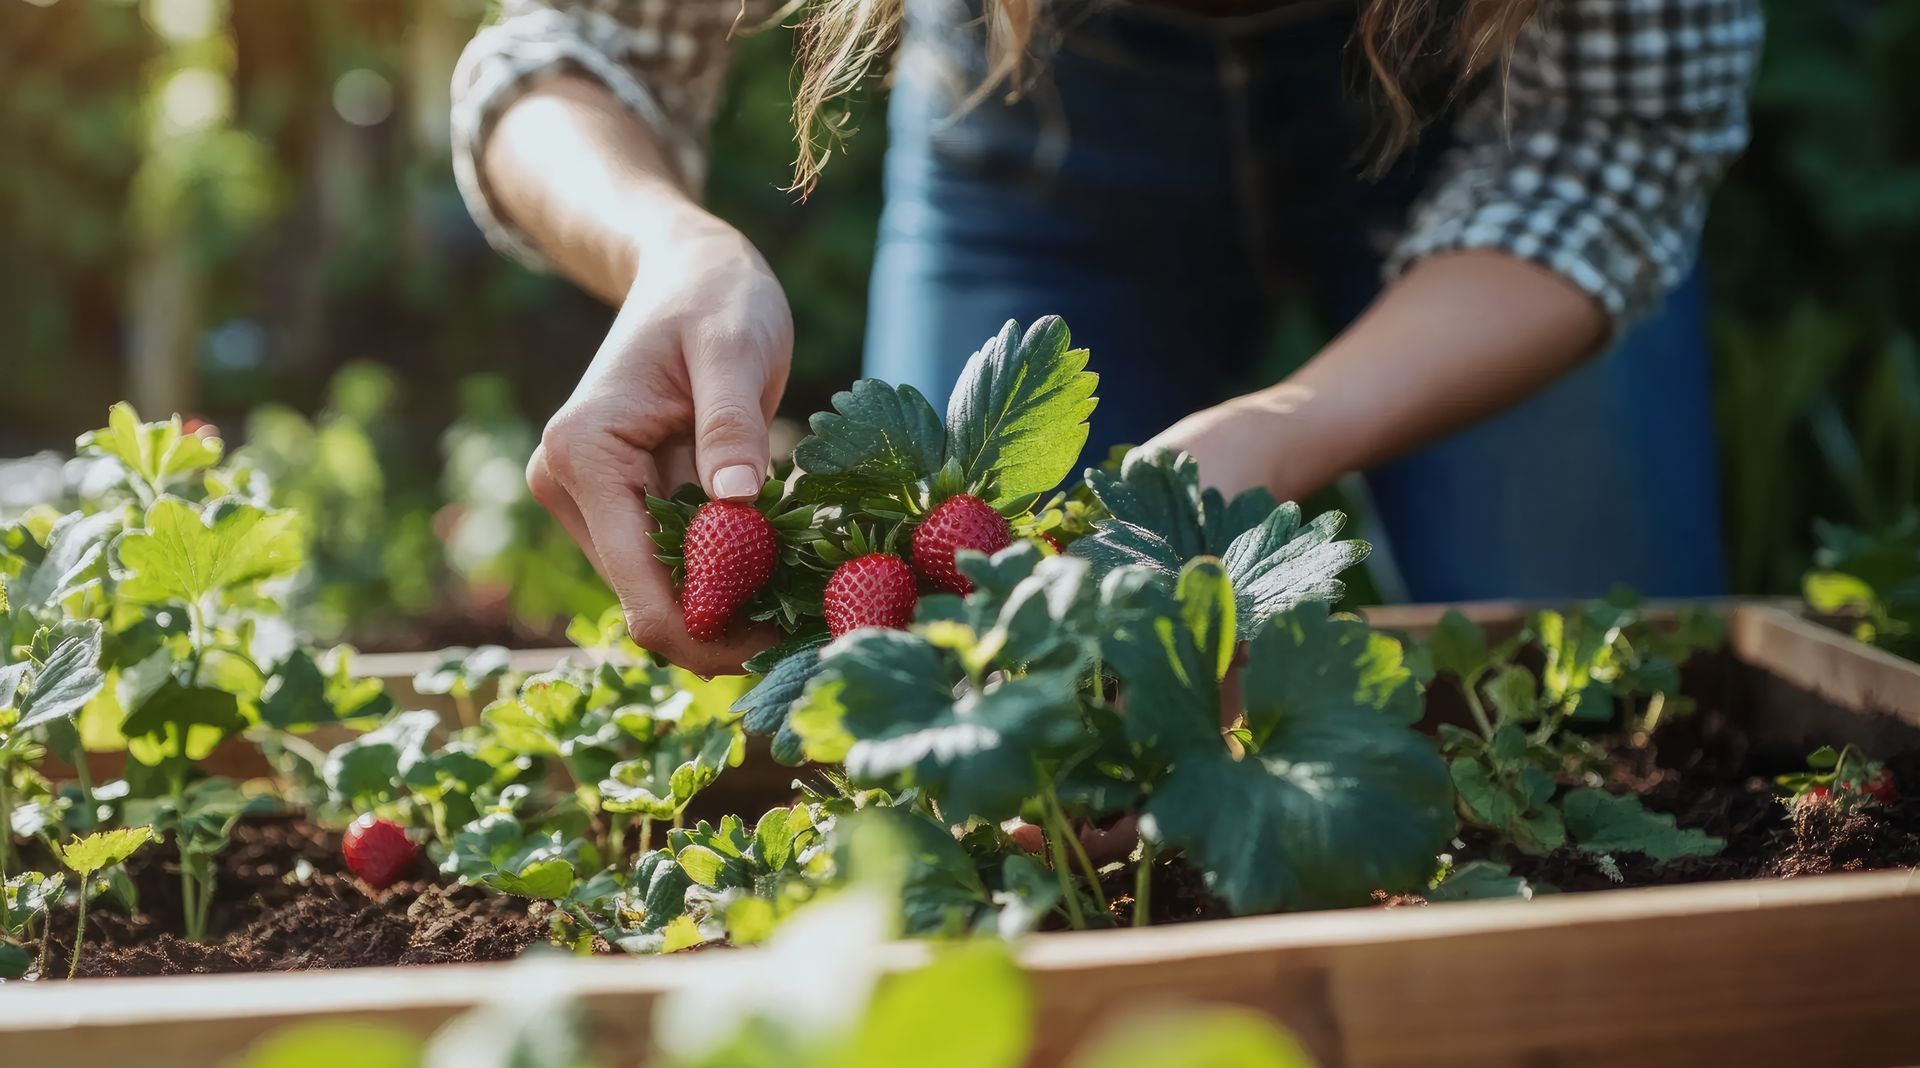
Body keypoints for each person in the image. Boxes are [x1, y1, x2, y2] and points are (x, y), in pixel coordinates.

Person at [451, 0, 1763, 674]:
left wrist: (1286, 427)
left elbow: (1612, 144)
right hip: (1036, 130)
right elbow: (571, 45)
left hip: (1496, 124)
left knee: (1607, 682)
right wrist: (670, 248)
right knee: (971, 693)